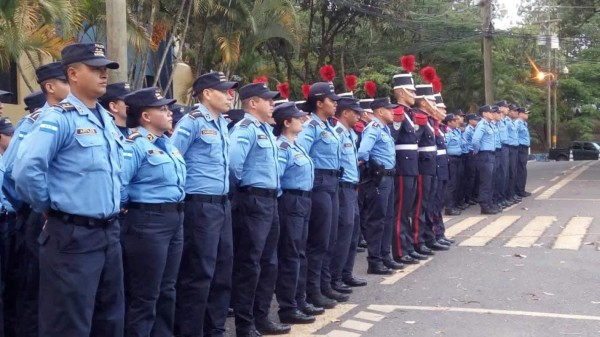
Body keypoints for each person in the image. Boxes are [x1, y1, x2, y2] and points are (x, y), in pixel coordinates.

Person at [13, 42, 124, 337]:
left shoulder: (106, 121)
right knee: (69, 324)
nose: (103, 75)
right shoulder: (58, 118)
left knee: (109, 320)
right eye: (95, 69)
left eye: (105, 70)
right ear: (73, 73)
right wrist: (48, 205)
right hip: (72, 236)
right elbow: (25, 170)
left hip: (109, 233)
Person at [3, 61, 70, 337]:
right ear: (51, 87)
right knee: (35, 288)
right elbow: (12, 171)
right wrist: (38, 205)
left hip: (67, 219)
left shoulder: (81, 118)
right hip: (38, 214)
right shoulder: (36, 122)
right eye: (66, 81)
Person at [171, 71, 237, 337]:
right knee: (199, 274)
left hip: (222, 206)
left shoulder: (222, 122)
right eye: (224, 90)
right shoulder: (192, 122)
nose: (230, 95)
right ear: (207, 93)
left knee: (222, 271)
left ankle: (215, 330)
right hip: (199, 206)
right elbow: (174, 159)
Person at [119, 87, 186, 337]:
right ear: (145, 116)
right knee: (145, 294)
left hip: (174, 218)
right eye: (162, 109)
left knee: (168, 289)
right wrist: (130, 208)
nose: (169, 113)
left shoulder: (168, 144)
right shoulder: (135, 145)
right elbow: (120, 183)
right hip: (147, 221)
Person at [229, 83, 289, 337]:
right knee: (250, 264)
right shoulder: (246, 128)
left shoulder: (265, 129)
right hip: (253, 201)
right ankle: (245, 323)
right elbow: (233, 164)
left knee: (269, 262)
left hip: (270, 201)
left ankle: (261, 316)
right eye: (268, 99)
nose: (273, 103)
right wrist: (246, 193)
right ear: (252, 103)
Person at [296, 82, 344, 309]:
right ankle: (312, 290)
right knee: (318, 241)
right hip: (319, 183)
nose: (335, 103)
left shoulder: (328, 125)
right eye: (330, 99)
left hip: (333, 182)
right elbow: (300, 152)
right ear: (318, 102)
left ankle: (324, 286)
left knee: (330, 238)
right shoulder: (311, 126)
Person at [272, 102, 317, 325]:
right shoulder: (282, 146)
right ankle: (288, 306)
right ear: (286, 123)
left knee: (300, 252)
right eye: (297, 118)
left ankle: (299, 300)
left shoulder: (296, 145)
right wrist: (285, 200)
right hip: (291, 201)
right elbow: (276, 178)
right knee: (290, 254)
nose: (302, 120)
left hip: (304, 200)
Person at [357, 97, 398, 275]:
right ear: (380, 111)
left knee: (388, 218)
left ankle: (385, 256)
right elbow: (363, 152)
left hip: (388, 177)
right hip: (379, 179)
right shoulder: (373, 128)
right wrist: (373, 168)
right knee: (377, 220)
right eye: (389, 109)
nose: (393, 112)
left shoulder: (384, 129)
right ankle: (374, 261)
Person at [329, 97, 364, 295]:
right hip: (342, 187)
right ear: (344, 113)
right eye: (355, 112)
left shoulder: (350, 134)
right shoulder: (338, 133)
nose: (359, 115)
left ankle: (346, 273)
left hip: (352, 187)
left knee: (353, 232)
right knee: (343, 232)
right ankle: (336, 277)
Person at [390, 71, 425, 265]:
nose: (414, 95)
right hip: (402, 167)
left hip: (412, 166)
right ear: (402, 92)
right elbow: (393, 139)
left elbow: (413, 140)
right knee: (400, 211)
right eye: (411, 91)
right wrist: (395, 122)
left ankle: (409, 247)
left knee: (408, 210)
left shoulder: (410, 114)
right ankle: (400, 251)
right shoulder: (398, 112)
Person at [411, 85, 441, 256]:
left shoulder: (428, 119)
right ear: (423, 102)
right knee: (420, 208)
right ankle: (418, 240)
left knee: (429, 205)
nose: (434, 104)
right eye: (431, 100)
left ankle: (429, 238)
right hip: (422, 167)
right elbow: (414, 141)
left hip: (431, 167)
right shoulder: (419, 119)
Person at [472, 105, 499, 214]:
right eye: (490, 112)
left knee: (491, 181)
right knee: (485, 182)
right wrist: (477, 151)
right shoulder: (482, 125)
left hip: (491, 154)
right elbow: (475, 140)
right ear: (484, 114)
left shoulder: (489, 125)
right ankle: (484, 206)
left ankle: (489, 203)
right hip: (484, 155)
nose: (492, 114)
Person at [444, 113, 463, 216]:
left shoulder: (456, 131)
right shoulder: (447, 132)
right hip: (451, 159)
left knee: (456, 183)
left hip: (458, 159)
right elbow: (444, 145)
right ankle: (449, 208)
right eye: (455, 120)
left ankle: (454, 205)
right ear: (449, 122)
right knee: (451, 185)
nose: (457, 122)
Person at [461, 113, 481, 206]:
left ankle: (473, 196)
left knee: (475, 175)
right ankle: (468, 197)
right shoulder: (468, 130)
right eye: (475, 119)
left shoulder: (474, 129)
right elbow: (464, 142)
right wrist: (469, 150)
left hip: (475, 153)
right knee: (470, 176)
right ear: (470, 121)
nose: (477, 121)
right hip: (470, 154)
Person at [505, 104, 522, 204]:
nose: (516, 113)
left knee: (513, 172)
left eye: (517, 111)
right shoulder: (506, 122)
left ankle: (511, 194)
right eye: (514, 111)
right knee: (509, 172)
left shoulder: (513, 122)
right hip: (509, 148)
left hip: (515, 148)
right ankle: (508, 195)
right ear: (509, 112)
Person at [515, 107, 531, 198]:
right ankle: (519, 190)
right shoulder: (517, 123)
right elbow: (514, 135)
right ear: (520, 114)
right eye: (525, 113)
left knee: (523, 169)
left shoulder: (524, 123)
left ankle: (521, 189)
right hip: (520, 147)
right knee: (520, 169)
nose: (527, 115)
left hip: (524, 148)